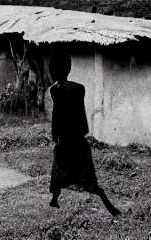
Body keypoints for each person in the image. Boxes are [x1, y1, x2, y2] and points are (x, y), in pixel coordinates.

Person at [46, 52, 121, 216]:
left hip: (66, 141)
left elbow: (57, 116)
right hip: (76, 140)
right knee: (86, 177)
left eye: (52, 70)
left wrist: (56, 136)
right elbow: (78, 115)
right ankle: (56, 199)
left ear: (58, 71)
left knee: (60, 173)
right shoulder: (78, 88)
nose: (51, 73)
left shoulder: (55, 91)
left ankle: (55, 198)